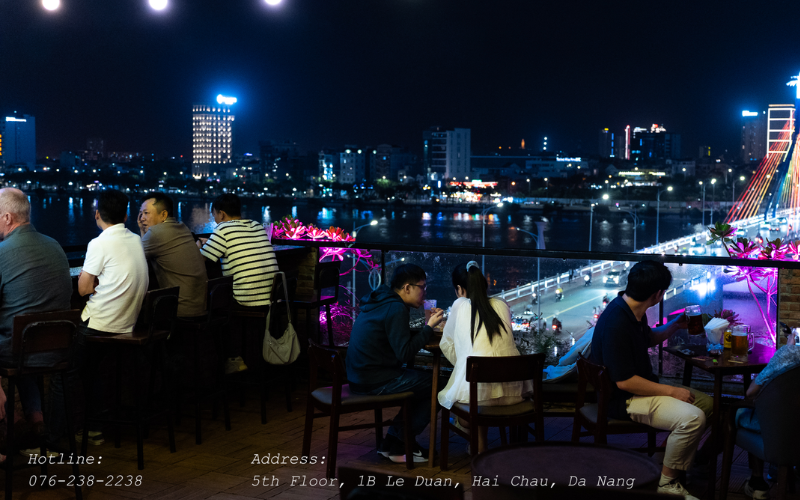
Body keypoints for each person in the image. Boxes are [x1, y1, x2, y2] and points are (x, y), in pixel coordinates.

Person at [591, 260, 712, 500]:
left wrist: (675, 326)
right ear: (657, 294)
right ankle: (667, 484)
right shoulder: (617, 322)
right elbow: (624, 382)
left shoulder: (631, 310)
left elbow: (648, 338)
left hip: (637, 388)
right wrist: (671, 391)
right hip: (624, 399)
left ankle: (665, 458)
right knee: (693, 417)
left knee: (708, 403)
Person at [49, 189, 149, 447]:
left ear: (97, 214)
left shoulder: (99, 243)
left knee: (65, 374)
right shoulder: (136, 240)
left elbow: (82, 289)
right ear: (126, 215)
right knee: (95, 371)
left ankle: (57, 439)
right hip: (127, 324)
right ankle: (94, 428)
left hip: (99, 324)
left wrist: (91, 278)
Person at [0, 188, 72, 458]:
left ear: (7, 217)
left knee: (15, 347)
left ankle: (9, 426)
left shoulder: (3, 252)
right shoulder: (54, 245)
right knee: (20, 345)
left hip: (21, 351)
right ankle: (36, 420)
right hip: (56, 350)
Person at [346, 264, 443, 463]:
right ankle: (401, 444)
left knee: (421, 383)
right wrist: (429, 327)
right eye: (422, 287)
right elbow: (404, 352)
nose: (425, 292)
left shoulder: (381, 300)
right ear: (407, 288)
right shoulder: (395, 308)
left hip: (359, 375)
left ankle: (390, 443)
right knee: (439, 385)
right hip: (374, 380)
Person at [438, 261, 532, 453]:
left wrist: (467, 366)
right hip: (515, 396)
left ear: (459, 289)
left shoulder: (460, 305)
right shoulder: (500, 305)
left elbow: (446, 344)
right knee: (481, 387)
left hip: (479, 402)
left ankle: (475, 441)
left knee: (470, 390)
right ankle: (479, 447)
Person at [197, 193, 279, 373]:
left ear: (222, 214)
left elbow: (202, 259)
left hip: (247, 299)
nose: (215, 219)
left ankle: (232, 359)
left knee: (214, 307)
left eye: (214, 215)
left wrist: (198, 245)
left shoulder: (223, 229)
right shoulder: (257, 225)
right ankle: (247, 358)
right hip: (272, 297)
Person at [733, 333, 800, 499]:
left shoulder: (788, 354)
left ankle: (757, 482)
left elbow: (750, 392)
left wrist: (787, 349)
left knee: (744, 413)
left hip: (780, 430)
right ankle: (780, 469)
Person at [138, 192, 207, 318]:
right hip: (200, 306)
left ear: (163, 214)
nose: (142, 218)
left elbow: (136, 260)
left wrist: (144, 232)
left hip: (180, 310)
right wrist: (144, 231)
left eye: (146, 213)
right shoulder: (182, 227)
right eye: (141, 213)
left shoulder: (156, 233)